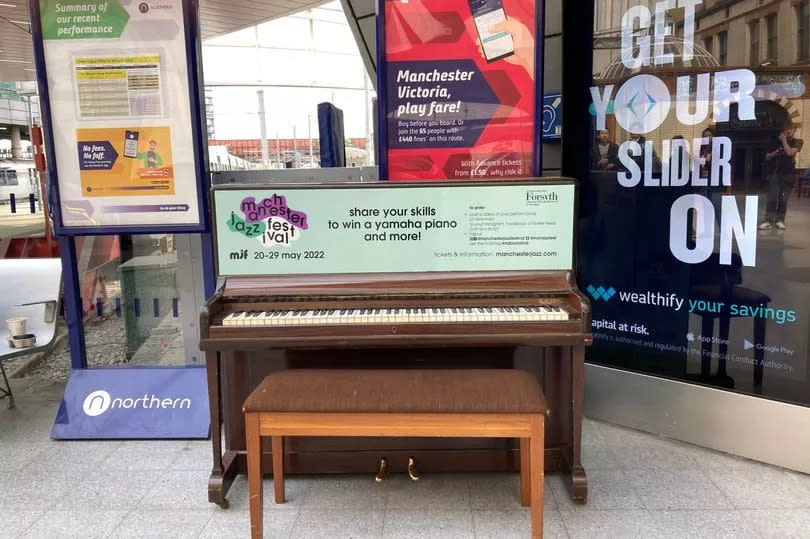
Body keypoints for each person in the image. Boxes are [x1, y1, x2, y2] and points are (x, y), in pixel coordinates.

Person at [760, 125, 804, 230]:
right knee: (772, 197)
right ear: (783, 130)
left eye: (791, 129)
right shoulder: (775, 141)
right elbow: (767, 157)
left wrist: (784, 141)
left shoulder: (798, 141)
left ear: (794, 131)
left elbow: (790, 153)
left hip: (788, 174)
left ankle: (780, 220)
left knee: (783, 198)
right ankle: (768, 221)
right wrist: (776, 152)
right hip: (774, 173)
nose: (789, 131)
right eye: (786, 129)